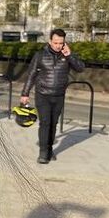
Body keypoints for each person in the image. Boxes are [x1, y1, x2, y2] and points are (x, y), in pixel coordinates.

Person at [20, 28, 85, 164]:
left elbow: (80, 68)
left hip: (59, 95)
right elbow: (31, 75)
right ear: (50, 41)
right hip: (42, 95)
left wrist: (69, 55)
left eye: (61, 43)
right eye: (55, 43)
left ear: (64, 42)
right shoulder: (39, 55)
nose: (58, 46)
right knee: (45, 123)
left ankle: (49, 149)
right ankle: (43, 153)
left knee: (53, 124)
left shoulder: (67, 55)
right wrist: (25, 94)